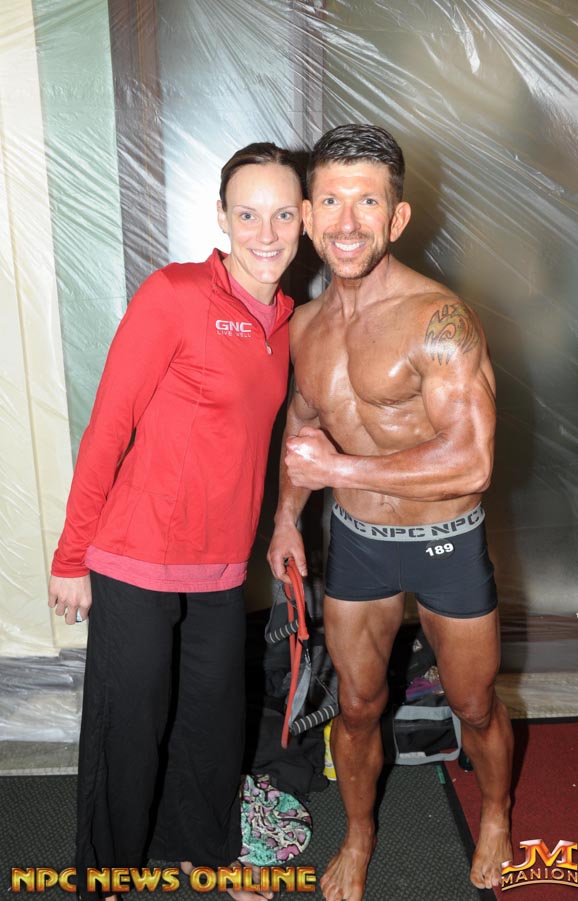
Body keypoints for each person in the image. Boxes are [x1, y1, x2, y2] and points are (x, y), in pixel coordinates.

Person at [48, 142, 304, 901]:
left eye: (282, 215)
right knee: (128, 728)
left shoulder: (289, 321)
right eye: (248, 214)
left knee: (211, 725)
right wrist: (71, 556)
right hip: (136, 556)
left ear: (302, 221)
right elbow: (108, 427)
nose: (266, 233)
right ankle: (104, 877)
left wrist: (285, 520)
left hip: (221, 565)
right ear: (221, 217)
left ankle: (204, 855)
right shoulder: (175, 294)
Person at [267, 124, 513, 900]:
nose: (347, 222)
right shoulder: (305, 326)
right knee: (358, 704)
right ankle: (360, 831)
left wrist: (338, 469)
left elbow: (471, 460)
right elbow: (304, 423)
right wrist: (286, 517)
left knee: (475, 704)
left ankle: (497, 811)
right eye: (331, 201)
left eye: (367, 202)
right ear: (309, 214)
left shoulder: (439, 320)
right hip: (360, 543)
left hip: (446, 541)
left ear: (397, 218)